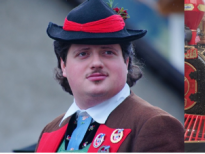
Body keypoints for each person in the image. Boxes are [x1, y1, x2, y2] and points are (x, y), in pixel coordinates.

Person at [35, 0, 184, 152]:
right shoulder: (49, 131)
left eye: (107, 52)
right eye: (83, 54)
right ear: (64, 65)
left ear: (126, 62)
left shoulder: (155, 126)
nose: (96, 63)